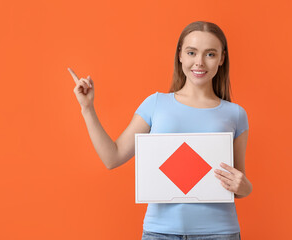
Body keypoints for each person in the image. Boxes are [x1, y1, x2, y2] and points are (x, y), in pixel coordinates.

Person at [68, 20, 252, 240]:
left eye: (210, 54)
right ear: (180, 55)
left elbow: (239, 185)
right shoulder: (155, 104)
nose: (199, 62)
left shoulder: (236, 114)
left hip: (219, 233)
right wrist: (87, 108)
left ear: (222, 58)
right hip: (161, 233)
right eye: (192, 52)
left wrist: (245, 186)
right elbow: (112, 157)